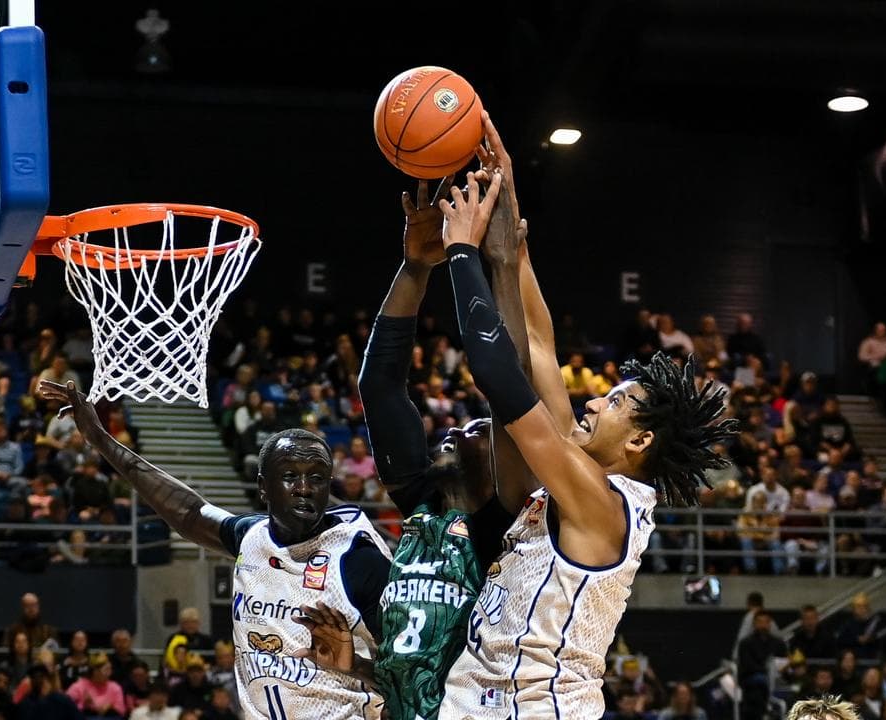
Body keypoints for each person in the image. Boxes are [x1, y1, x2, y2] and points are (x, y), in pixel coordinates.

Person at [434, 131, 736, 719]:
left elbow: (502, 375)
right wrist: (512, 222)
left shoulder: (602, 502)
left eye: (616, 402)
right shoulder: (579, 477)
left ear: (641, 439)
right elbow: (541, 345)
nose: (594, 403)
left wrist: (462, 254)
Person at [292, 141, 538, 720]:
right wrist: (414, 266)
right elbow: (381, 387)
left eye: (476, 428)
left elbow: (509, 384)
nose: (455, 429)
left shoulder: (499, 521)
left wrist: (467, 255)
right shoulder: (422, 503)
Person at [37, 379, 393, 720]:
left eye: (317, 478)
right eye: (290, 475)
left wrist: (356, 666)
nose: (304, 488)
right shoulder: (251, 537)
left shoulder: (359, 561)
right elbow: (187, 510)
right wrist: (99, 438)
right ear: (263, 487)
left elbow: (416, 675)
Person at [65, 653, 125, 718]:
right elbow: (65, 707)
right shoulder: (79, 686)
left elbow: (121, 712)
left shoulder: (115, 687)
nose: (109, 674)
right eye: (106, 670)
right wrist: (84, 706)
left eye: (110, 669)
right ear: (95, 671)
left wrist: (110, 707)